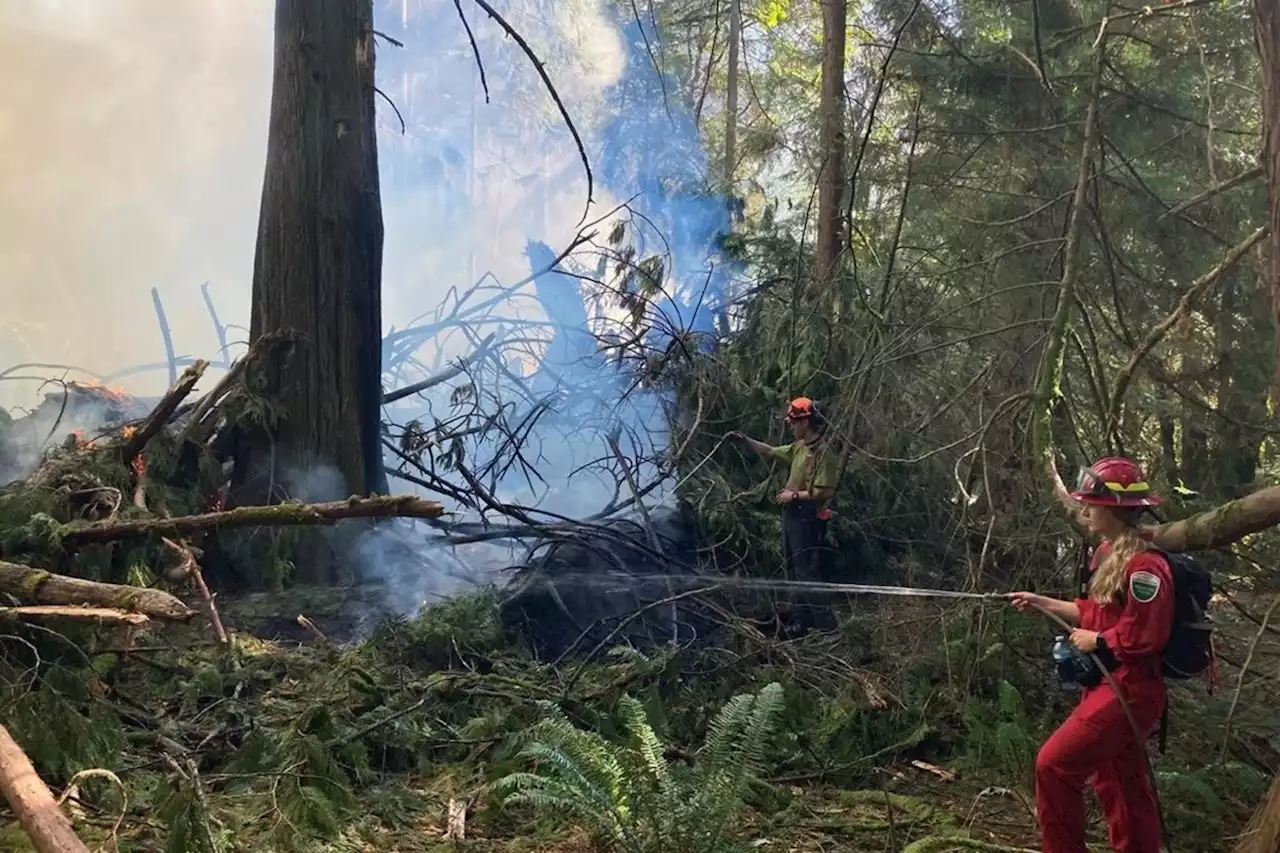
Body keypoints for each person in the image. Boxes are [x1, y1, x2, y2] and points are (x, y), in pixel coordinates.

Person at [1009, 456, 1174, 853]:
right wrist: (1041, 602)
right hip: (1108, 683)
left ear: (1115, 509)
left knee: (1053, 766)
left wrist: (1099, 642)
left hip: (1131, 688)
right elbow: (1091, 613)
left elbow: (1144, 635)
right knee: (1119, 781)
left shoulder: (1146, 566)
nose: (1084, 509)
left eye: (1092, 503)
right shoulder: (1106, 554)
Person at [728, 397, 841, 581]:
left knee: (806, 570)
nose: (791, 427)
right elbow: (770, 451)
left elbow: (826, 492)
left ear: (805, 422)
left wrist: (794, 495)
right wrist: (744, 440)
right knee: (792, 567)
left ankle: (816, 610)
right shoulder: (799, 447)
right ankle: (797, 609)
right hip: (792, 516)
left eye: (794, 422)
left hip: (808, 518)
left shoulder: (823, 453)